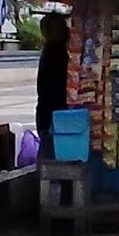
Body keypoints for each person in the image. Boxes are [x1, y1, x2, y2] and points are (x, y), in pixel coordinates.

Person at [35, 13, 70, 155]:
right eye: (62, 27)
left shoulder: (52, 52)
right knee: (52, 160)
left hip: (48, 116)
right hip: (53, 117)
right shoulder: (56, 54)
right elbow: (56, 90)